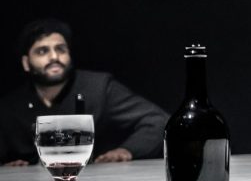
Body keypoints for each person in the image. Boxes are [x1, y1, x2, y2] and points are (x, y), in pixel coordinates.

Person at [0, 18, 169, 166]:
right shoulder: (10, 106)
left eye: (61, 49)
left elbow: (158, 120)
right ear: (26, 63)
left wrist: (126, 150)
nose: (54, 57)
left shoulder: (97, 87)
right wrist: (10, 167)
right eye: (42, 51)